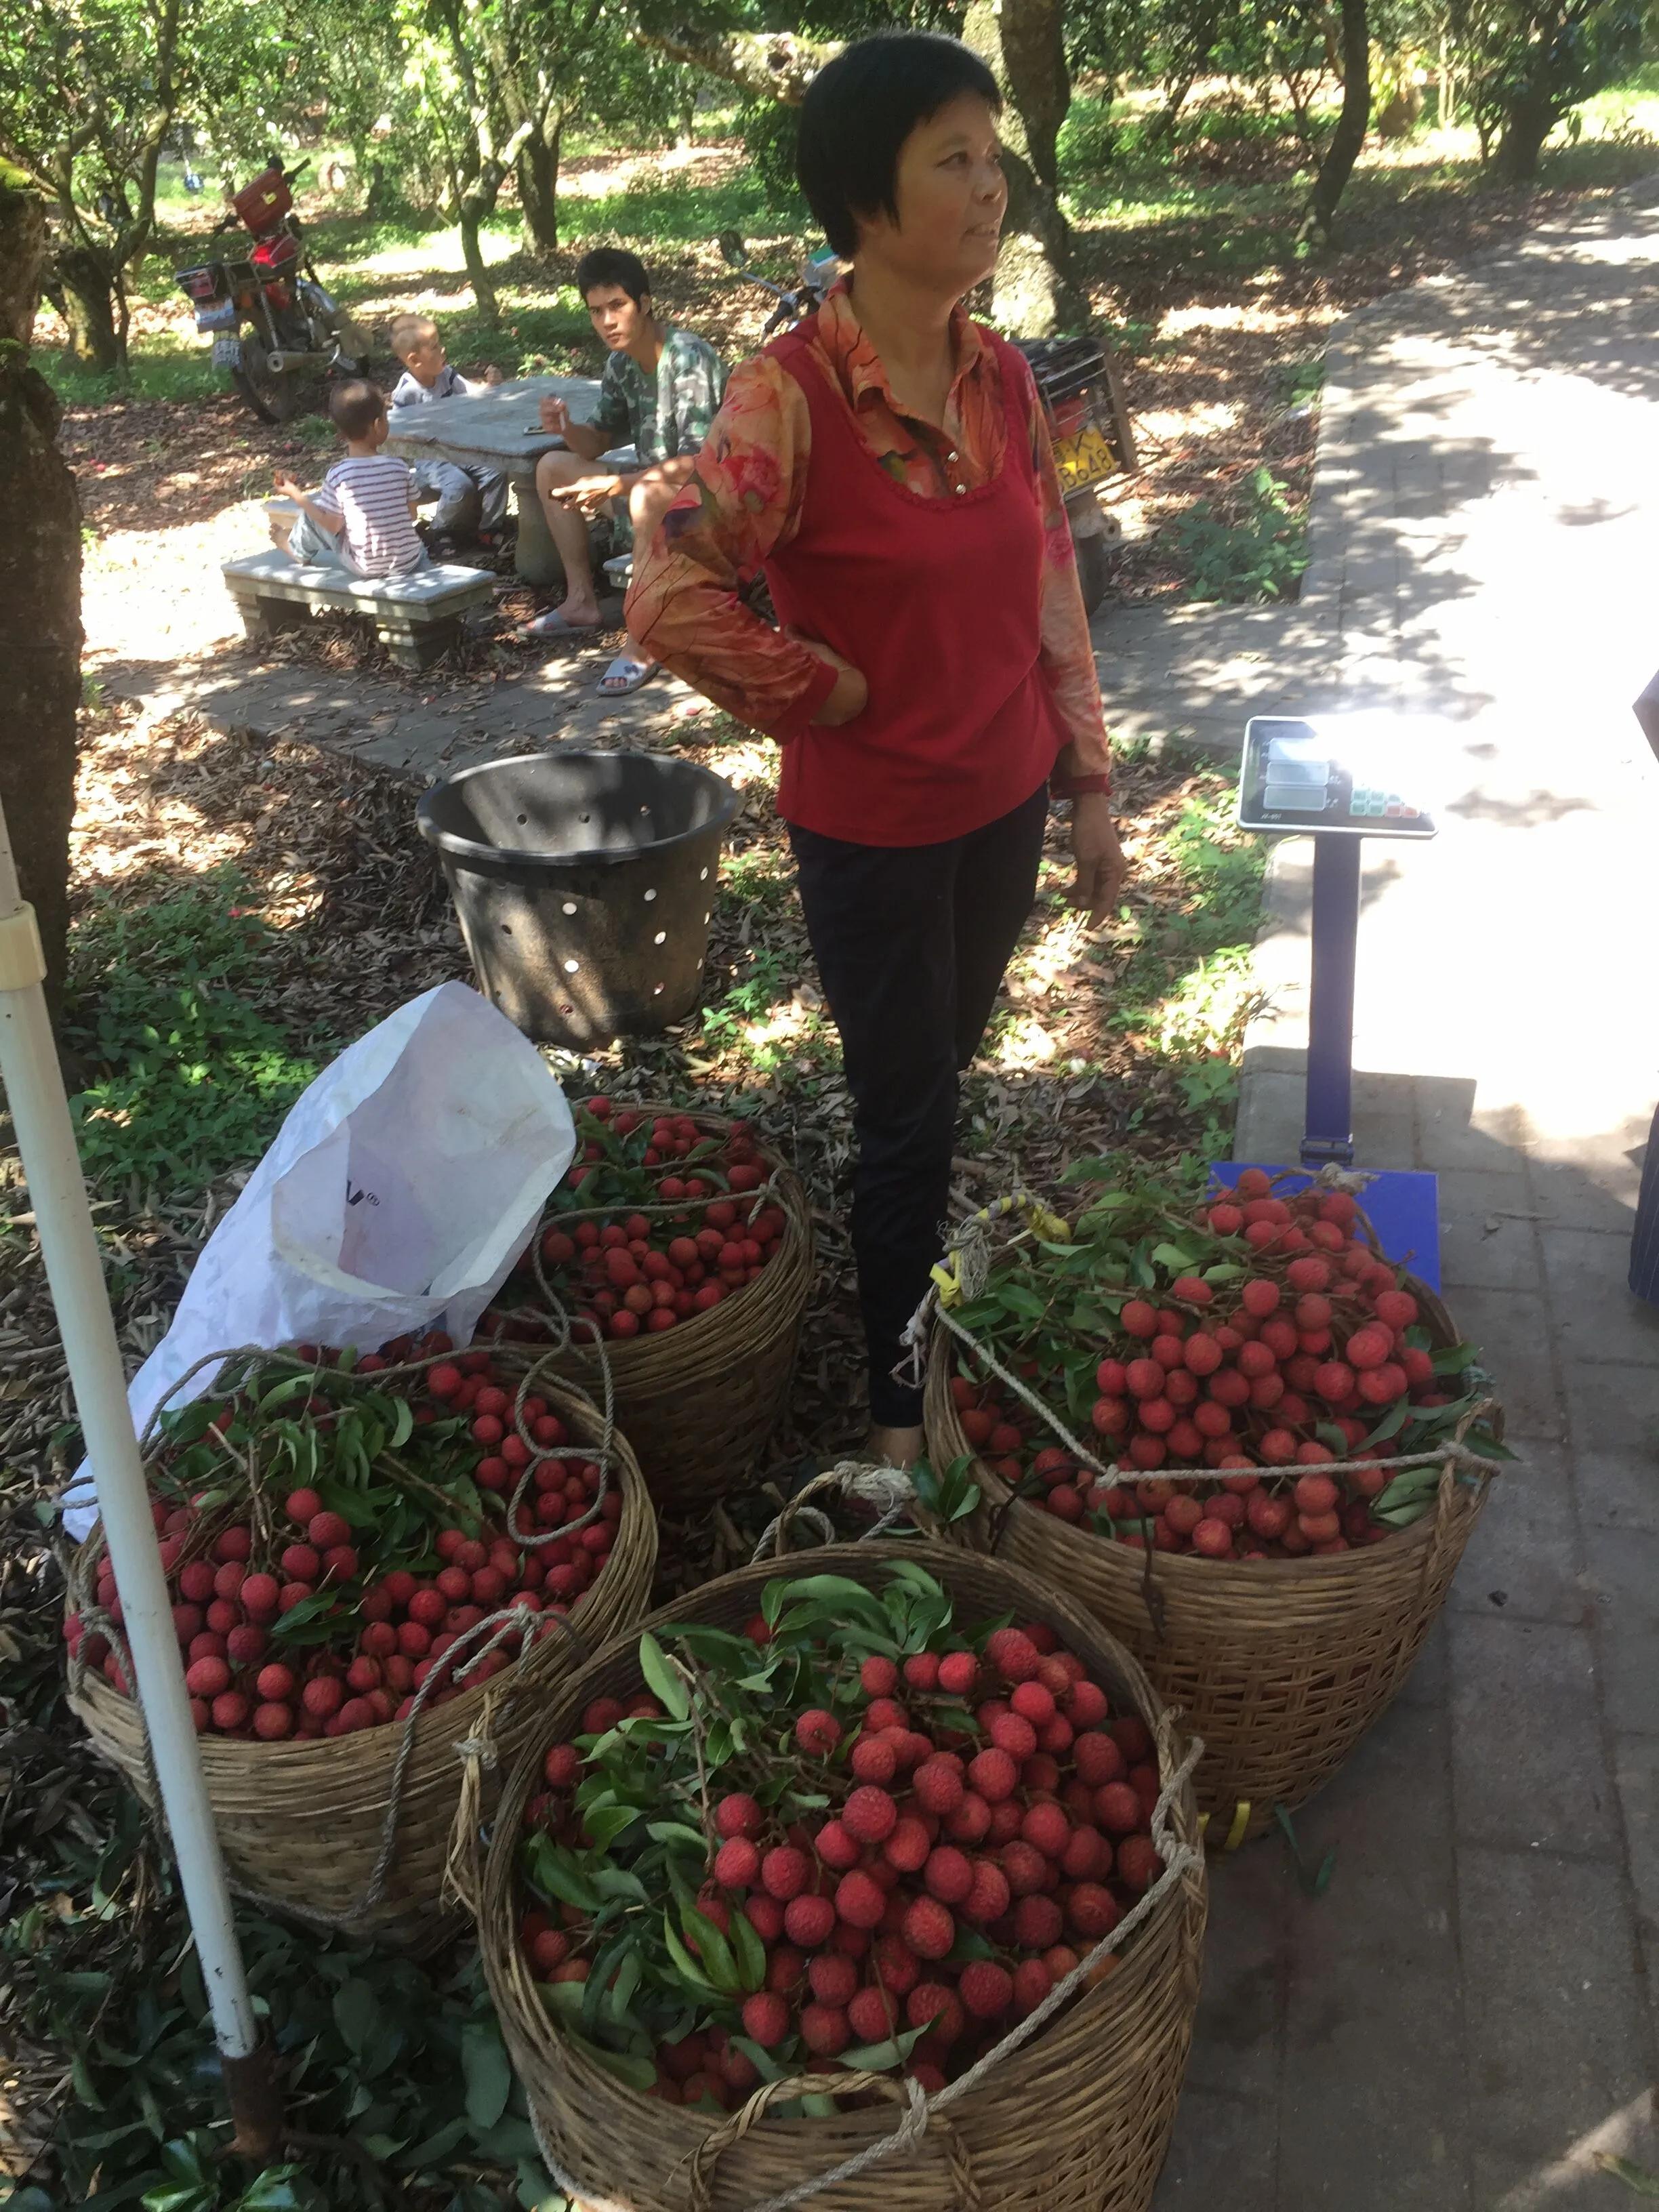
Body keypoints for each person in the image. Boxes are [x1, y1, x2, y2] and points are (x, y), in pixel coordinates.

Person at [626, 32, 1126, 1468]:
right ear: (865, 200)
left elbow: (1049, 582)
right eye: (952, 161)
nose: (992, 188)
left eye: (993, 157)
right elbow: (668, 596)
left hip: (1006, 803)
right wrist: (816, 692)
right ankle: (900, 1422)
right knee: (906, 1125)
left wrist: (1089, 783)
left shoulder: (1005, 379)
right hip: (876, 836)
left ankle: (917, 1300)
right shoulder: (786, 397)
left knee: (939, 1077)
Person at [528, 246, 726, 697]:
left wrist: (616, 484)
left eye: (617, 306)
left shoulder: (690, 359)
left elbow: (703, 464)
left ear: (646, 302)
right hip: (653, 494)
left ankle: (642, 642)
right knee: (553, 468)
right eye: (596, 311)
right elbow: (598, 440)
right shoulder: (621, 362)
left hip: (712, 508)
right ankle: (581, 601)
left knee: (646, 494)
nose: (607, 321)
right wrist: (567, 427)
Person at [273, 380, 426, 577]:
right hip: (409, 560)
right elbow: (412, 515)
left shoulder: (339, 475)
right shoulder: (399, 466)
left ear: (340, 432)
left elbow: (332, 526)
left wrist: (297, 495)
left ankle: (296, 548)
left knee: (311, 519)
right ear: (379, 425)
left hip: (367, 566)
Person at [387, 312, 510, 555]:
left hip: (460, 448)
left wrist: (491, 388)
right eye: (434, 348)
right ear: (415, 360)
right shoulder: (408, 393)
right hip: (431, 456)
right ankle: (441, 531)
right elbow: (399, 433)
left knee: (497, 469)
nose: (442, 350)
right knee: (459, 486)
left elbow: (474, 397)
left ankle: (489, 527)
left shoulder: (447, 375)